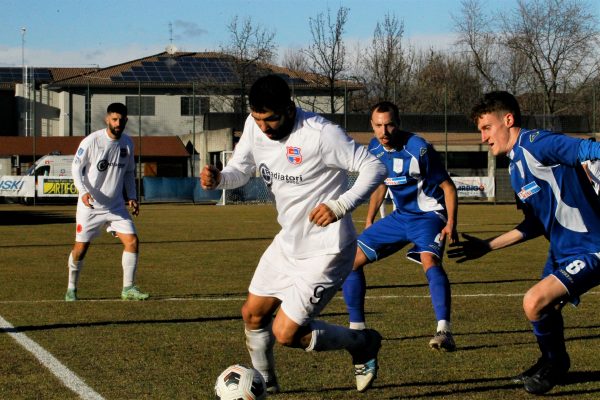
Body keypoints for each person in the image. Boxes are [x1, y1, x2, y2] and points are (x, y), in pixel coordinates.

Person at [201, 74, 387, 393]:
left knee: (286, 333)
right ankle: (267, 384)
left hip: (327, 249)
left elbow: (374, 167)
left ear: (289, 108)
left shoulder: (320, 134)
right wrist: (219, 178)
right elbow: (240, 171)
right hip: (289, 242)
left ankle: (362, 342)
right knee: (253, 315)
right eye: (258, 119)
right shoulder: (253, 126)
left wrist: (341, 205)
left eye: (270, 119)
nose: (264, 128)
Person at [448, 91, 600, 395]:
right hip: (561, 249)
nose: (483, 138)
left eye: (487, 128)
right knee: (543, 309)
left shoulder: (538, 143)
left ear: (508, 120)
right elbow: (533, 224)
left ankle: (556, 364)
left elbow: (590, 149)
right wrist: (487, 246)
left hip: (593, 247)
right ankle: (552, 360)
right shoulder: (515, 167)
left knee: (534, 301)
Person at [341, 101, 459, 351]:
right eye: (379, 126)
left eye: (390, 125)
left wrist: (451, 223)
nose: (384, 131)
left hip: (429, 216)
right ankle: (357, 330)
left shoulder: (420, 149)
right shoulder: (375, 148)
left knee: (430, 261)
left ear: (398, 124)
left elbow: (448, 187)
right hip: (399, 218)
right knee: (350, 260)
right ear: (372, 126)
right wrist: (371, 217)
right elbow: (380, 183)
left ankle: (444, 331)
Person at [65, 103, 148, 302]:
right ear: (107, 119)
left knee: (132, 241)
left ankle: (128, 289)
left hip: (116, 206)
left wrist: (132, 197)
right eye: (114, 119)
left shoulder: (128, 143)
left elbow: (128, 173)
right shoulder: (92, 141)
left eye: (121, 120)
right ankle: (71, 288)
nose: (118, 123)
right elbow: (76, 169)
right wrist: (83, 192)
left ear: (126, 120)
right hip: (90, 207)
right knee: (80, 249)